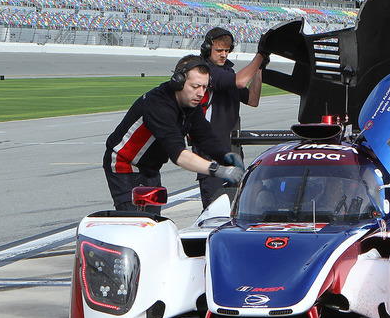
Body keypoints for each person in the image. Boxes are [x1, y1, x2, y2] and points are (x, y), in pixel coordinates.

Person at [103, 55, 244, 212]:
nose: (200, 93)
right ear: (178, 82)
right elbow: (178, 155)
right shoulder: (158, 105)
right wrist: (217, 169)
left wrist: (225, 155)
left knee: (153, 217)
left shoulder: (190, 105)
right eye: (195, 86)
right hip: (125, 164)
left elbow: (205, 137)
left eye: (205, 87)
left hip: (150, 167)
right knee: (137, 220)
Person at [194, 27, 269, 208]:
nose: (223, 55)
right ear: (207, 49)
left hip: (233, 153)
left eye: (227, 51)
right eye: (219, 50)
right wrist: (259, 55)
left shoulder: (227, 72)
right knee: (215, 212)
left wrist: (259, 68)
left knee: (236, 210)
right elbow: (241, 81)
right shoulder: (207, 72)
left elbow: (252, 99)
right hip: (211, 157)